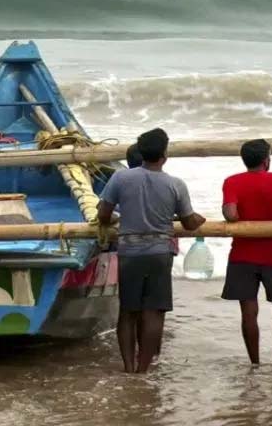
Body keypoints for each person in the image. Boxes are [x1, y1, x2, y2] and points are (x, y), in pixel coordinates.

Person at [96, 128, 205, 374]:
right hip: (159, 252)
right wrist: (199, 220)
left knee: (128, 312)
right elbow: (188, 223)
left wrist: (114, 219)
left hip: (129, 252)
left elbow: (103, 214)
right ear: (165, 154)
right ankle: (144, 369)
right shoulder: (176, 184)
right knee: (154, 312)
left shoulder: (121, 178)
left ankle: (128, 366)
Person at [220, 139, 272, 366]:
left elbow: (231, 215)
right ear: (267, 160)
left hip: (242, 254)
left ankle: (254, 362)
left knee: (248, 311)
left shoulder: (232, 181)